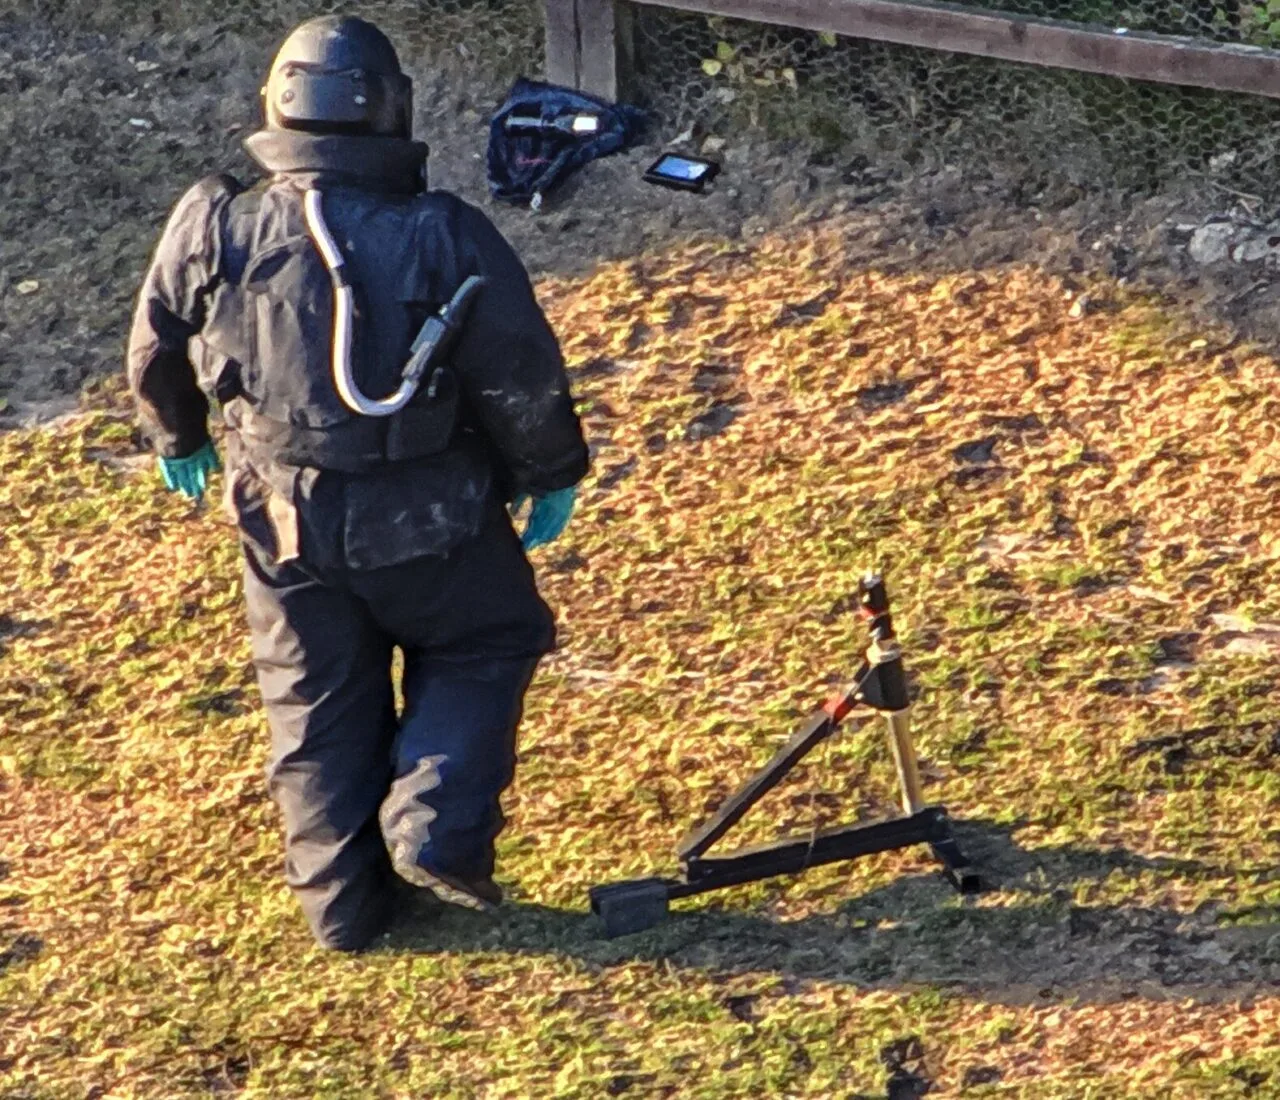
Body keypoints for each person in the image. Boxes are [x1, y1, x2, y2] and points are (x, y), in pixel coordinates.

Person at [125, 14, 589, 951]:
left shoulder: (214, 221)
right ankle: (434, 830)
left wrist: (177, 432)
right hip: (434, 514)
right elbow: (517, 368)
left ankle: (340, 908)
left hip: (281, 519)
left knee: (311, 699)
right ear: (391, 111)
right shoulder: (443, 233)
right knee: (487, 640)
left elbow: (156, 338)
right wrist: (551, 472)